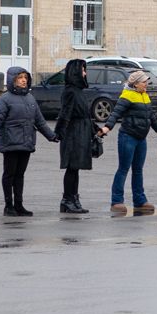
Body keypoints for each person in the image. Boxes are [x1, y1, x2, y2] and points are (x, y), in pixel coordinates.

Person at [0, 67, 57, 217]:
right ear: (12, 80)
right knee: (9, 174)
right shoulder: (5, 98)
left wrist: (52, 136)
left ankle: (19, 205)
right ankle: (8, 206)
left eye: (25, 77)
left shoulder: (30, 98)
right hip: (11, 141)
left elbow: (40, 121)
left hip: (26, 141)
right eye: (20, 78)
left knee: (20, 175)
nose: (24, 80)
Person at [102, 70, 157, 213]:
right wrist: (107, 127)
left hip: (141, 138)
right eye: (144, 82)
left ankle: (139, 201)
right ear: (136, 83)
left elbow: (150, 116)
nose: (146, 84)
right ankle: (116, 201)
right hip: (128, 137)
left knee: (138, 170)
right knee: (123, 169)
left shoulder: (145, 96)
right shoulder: (127, 95)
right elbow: (116, 113)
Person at [55, 59, 97, 214]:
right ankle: (67, 199)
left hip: (81, 132)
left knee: (76, 168)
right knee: (72, 168)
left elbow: (85, 114)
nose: (85, 73)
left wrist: (94, 130)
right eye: (83, 70)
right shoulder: (70, 91)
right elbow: (65, 113)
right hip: (73, 134)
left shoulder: (78, 91)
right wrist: (59, 132)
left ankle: (74, 198)